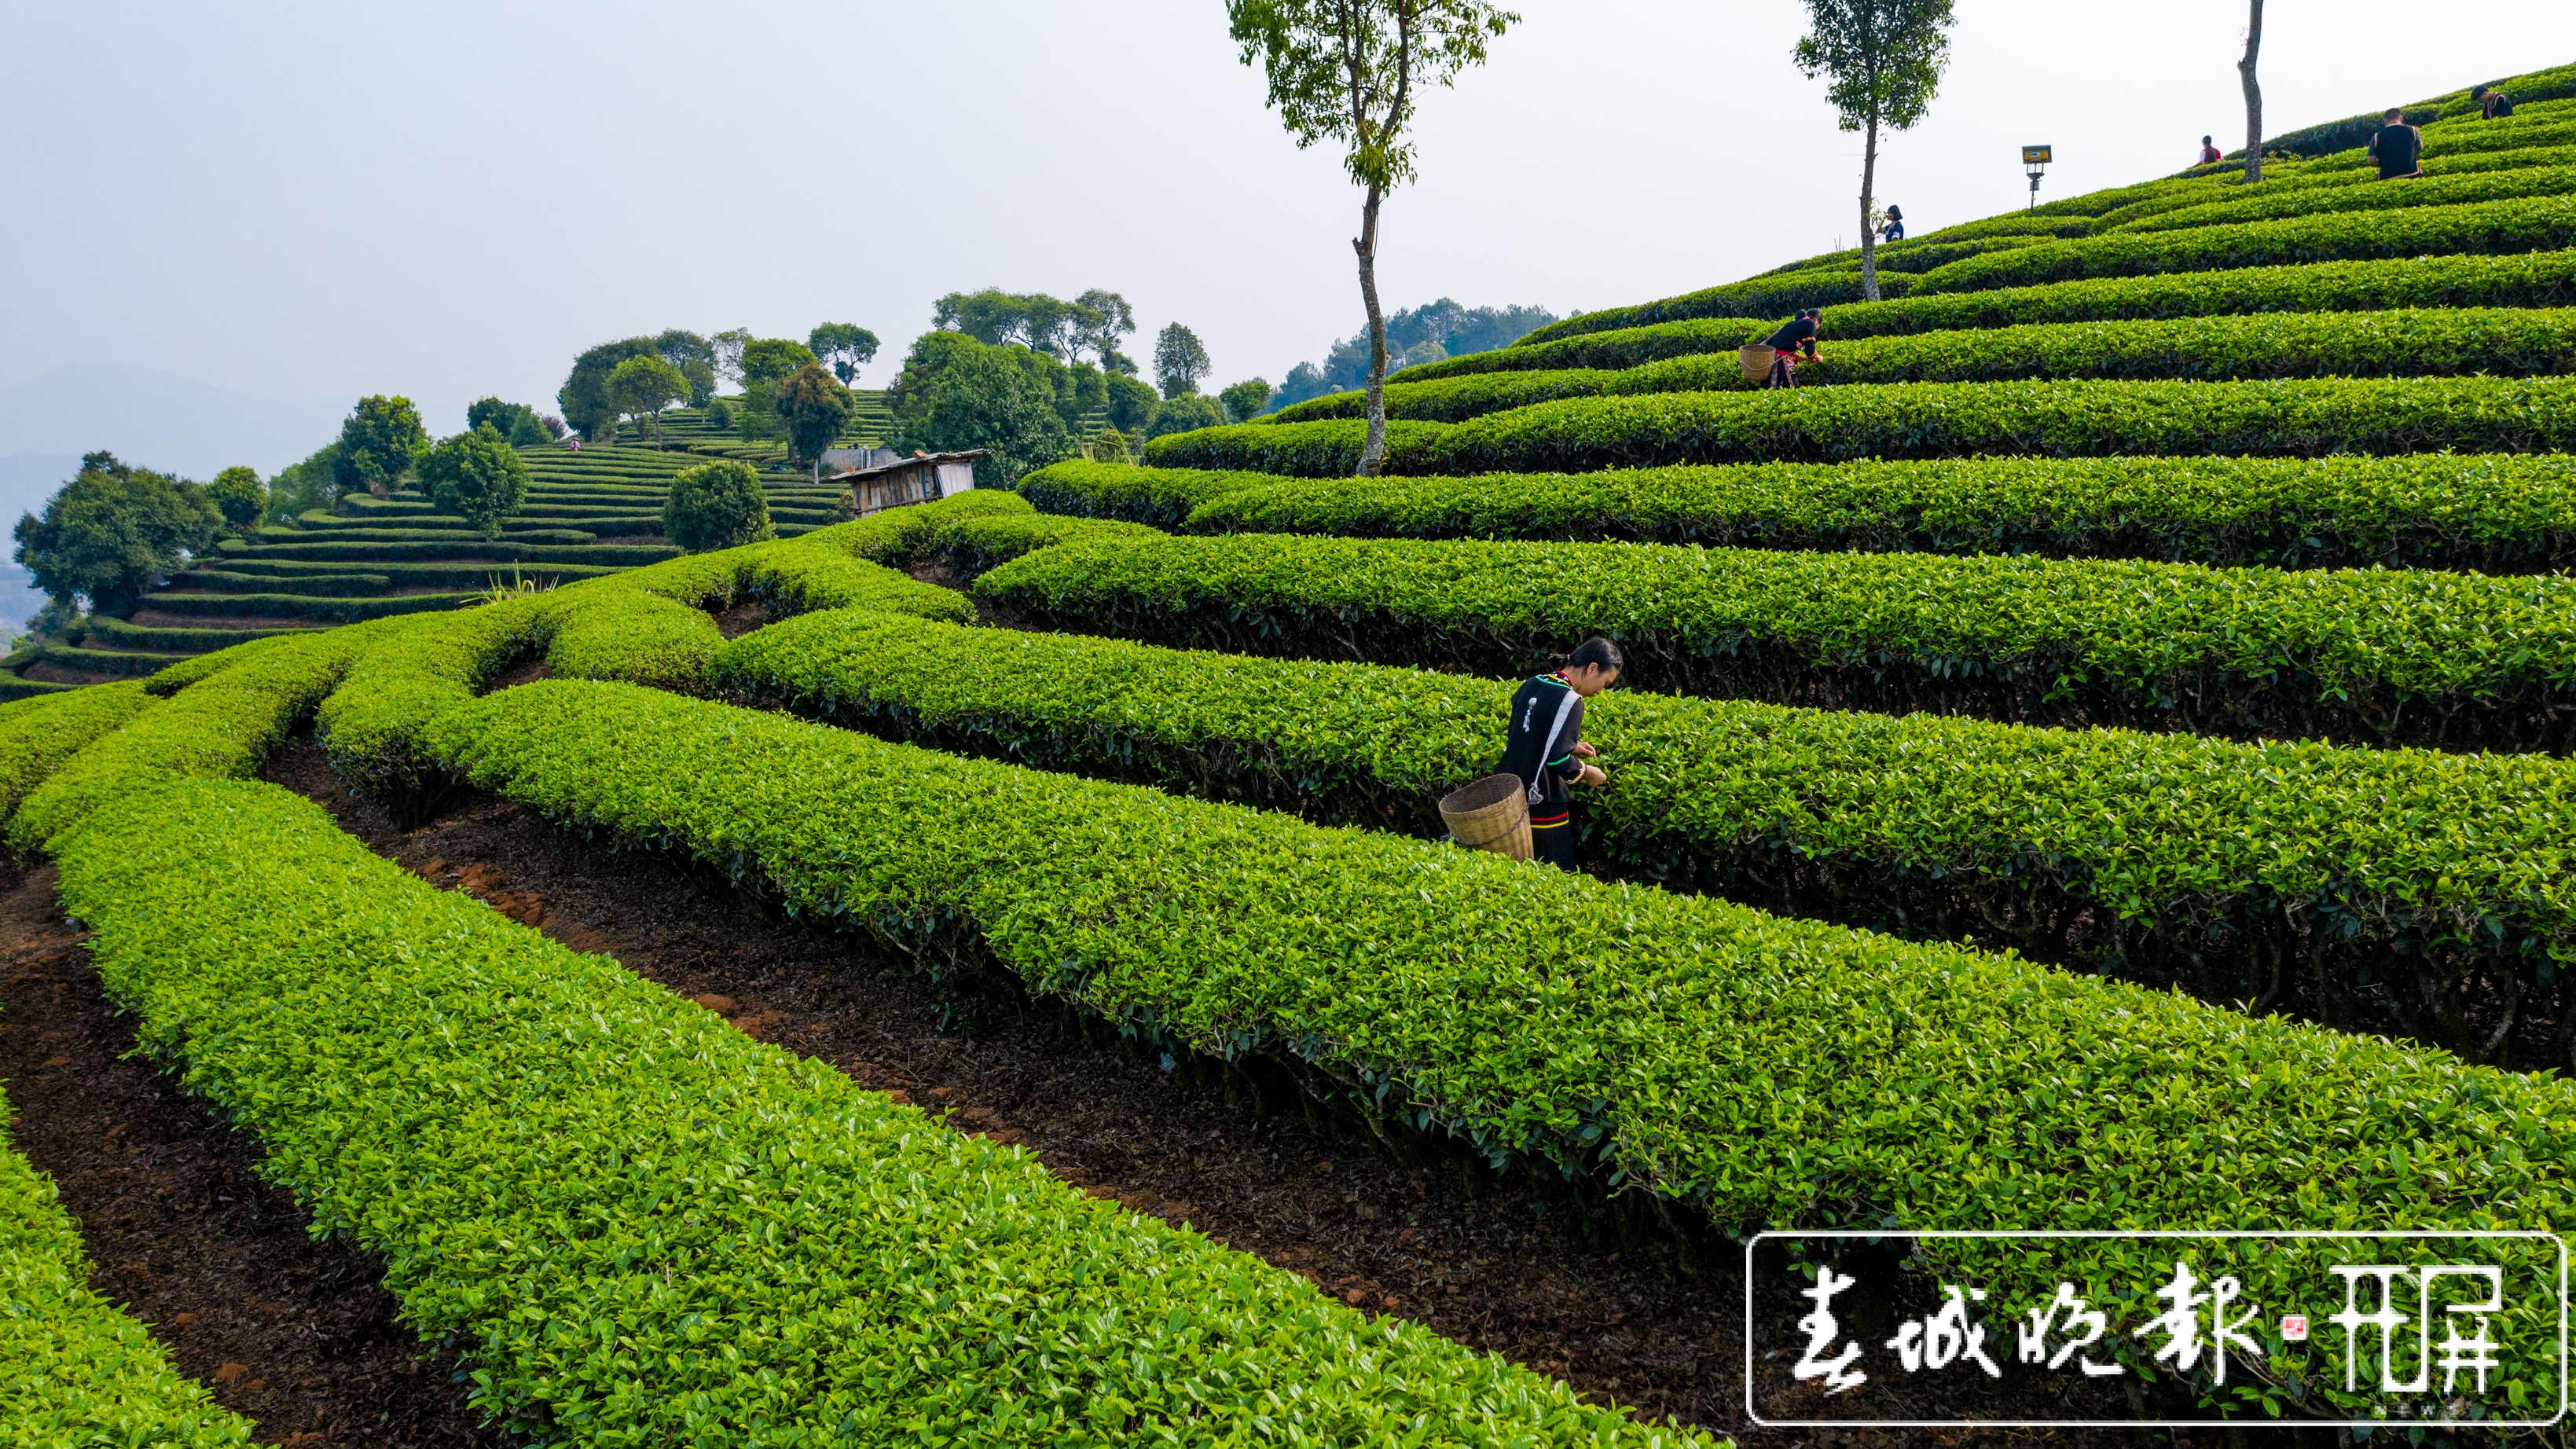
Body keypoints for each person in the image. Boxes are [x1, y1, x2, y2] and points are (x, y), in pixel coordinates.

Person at [1495, 637, 1620, 871]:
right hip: (1541, 798)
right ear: (1592, 668)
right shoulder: (1571, 700)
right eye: (1605, 682)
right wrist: (1587, 772)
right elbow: (1557, 759)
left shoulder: (1531, 683)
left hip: (1508, 791)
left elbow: (1525, 733)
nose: (1601, 691)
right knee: (1549, 871)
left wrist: (1569, 743)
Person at [1763, 308, 1822, 388]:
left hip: (1771, 360)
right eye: (1819, 325)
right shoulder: (1810, 323)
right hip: (1780, 361)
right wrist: (1818, 358)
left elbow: (1787, 351)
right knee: (1793, 390)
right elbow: (1810, 351)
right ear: (1816, 320)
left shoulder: (1793, 324)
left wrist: (1806, 358)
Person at [2367, 108, 2422, 179]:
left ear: (2385, 122)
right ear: (2401, 118)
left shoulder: (2376, 137)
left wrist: (2386, 164)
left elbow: (2371, 160)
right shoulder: (2412, 130)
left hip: (2388, 177)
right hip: (2411, 173)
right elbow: (2420, 147)